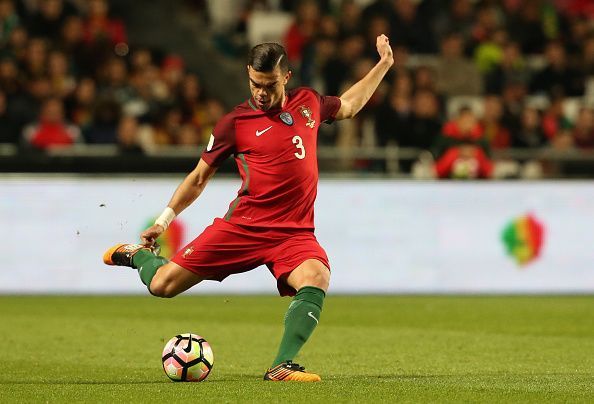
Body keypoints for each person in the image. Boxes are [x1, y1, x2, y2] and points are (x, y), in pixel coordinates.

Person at [103, 35, 394, 382]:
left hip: (293, 233)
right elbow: (198, 178)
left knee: (316, 276)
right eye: (255, 83)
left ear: (285, 78)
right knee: (163, 286)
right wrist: (164, 221)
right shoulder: (234, 124)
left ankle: (281, 366)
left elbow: (350, 104)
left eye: (268, 85)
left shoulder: (309, 103)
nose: (260, 92)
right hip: (243, 227)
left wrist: (384, 65)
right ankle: (138, 256)